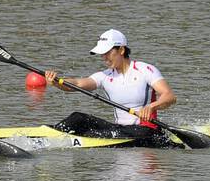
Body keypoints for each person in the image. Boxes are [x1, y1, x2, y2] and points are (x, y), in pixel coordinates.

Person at [44, 29, 178, 143]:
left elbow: (169, 96)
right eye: (102, 54)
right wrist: (57, 82)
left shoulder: (146, 70)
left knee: (98, 133)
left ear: (121, 50)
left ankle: (78, 138)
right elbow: (77, 84)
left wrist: (151, 107)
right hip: (119, 130)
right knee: (78, 118)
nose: (104, 58)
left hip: (146, 131)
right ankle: (47, 136)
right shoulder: (104, 76)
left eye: (107, 52)